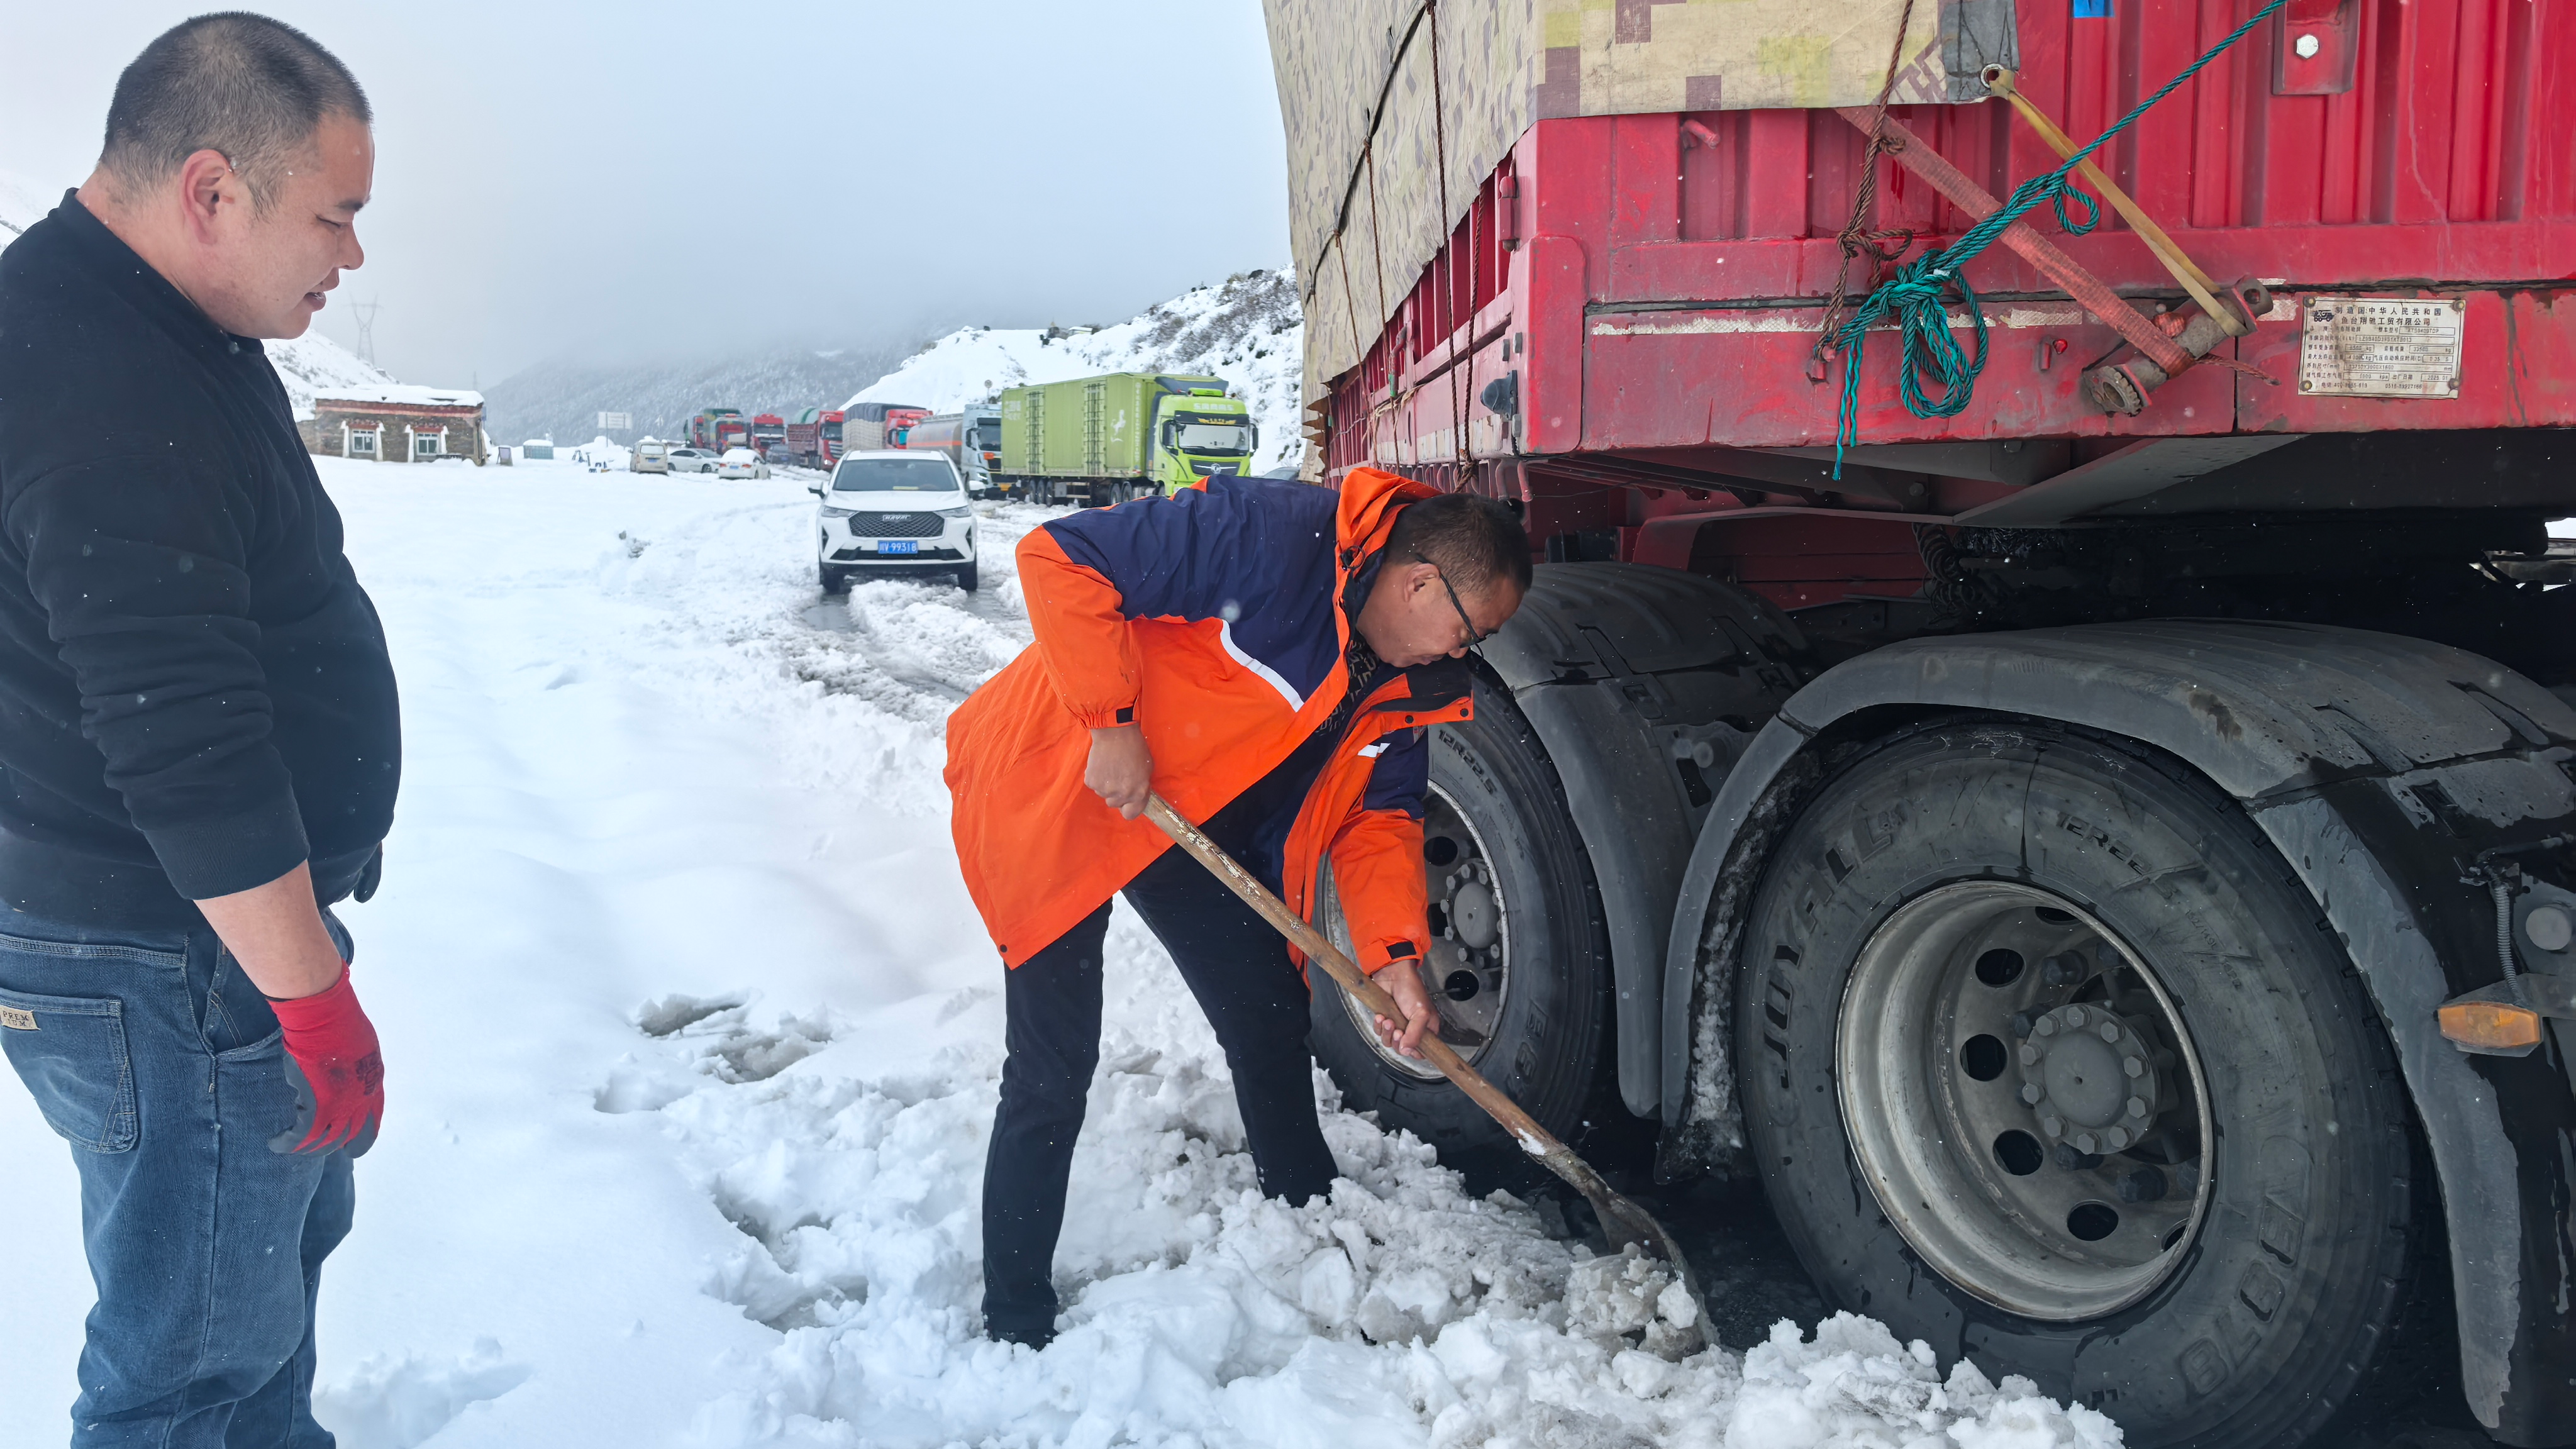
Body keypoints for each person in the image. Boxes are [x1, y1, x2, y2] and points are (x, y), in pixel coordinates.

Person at [0, 14, 397, 1445]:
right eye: (334, 216)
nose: (349, 258)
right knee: (185, 1371)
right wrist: (307, 1000)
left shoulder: (150, 323)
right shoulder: (105, 381)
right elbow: (183, 733)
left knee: (246, 1304)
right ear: (214, 191)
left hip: (190, 940)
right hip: (173, 952)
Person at [945, 465, 1531, 1347]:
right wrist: (1110, 722)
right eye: (1466, 631)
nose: (1461, 655)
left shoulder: (1402, 686)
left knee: (1265, 1006)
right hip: (1065, 788)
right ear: (1420, 582)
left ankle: (1302, 1202)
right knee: (1053, 1065)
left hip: (1180, 821)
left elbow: (1381, 822)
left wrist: (1395, 959)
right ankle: (1015, 1311)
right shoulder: (1270, 536)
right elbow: (1061, 557)